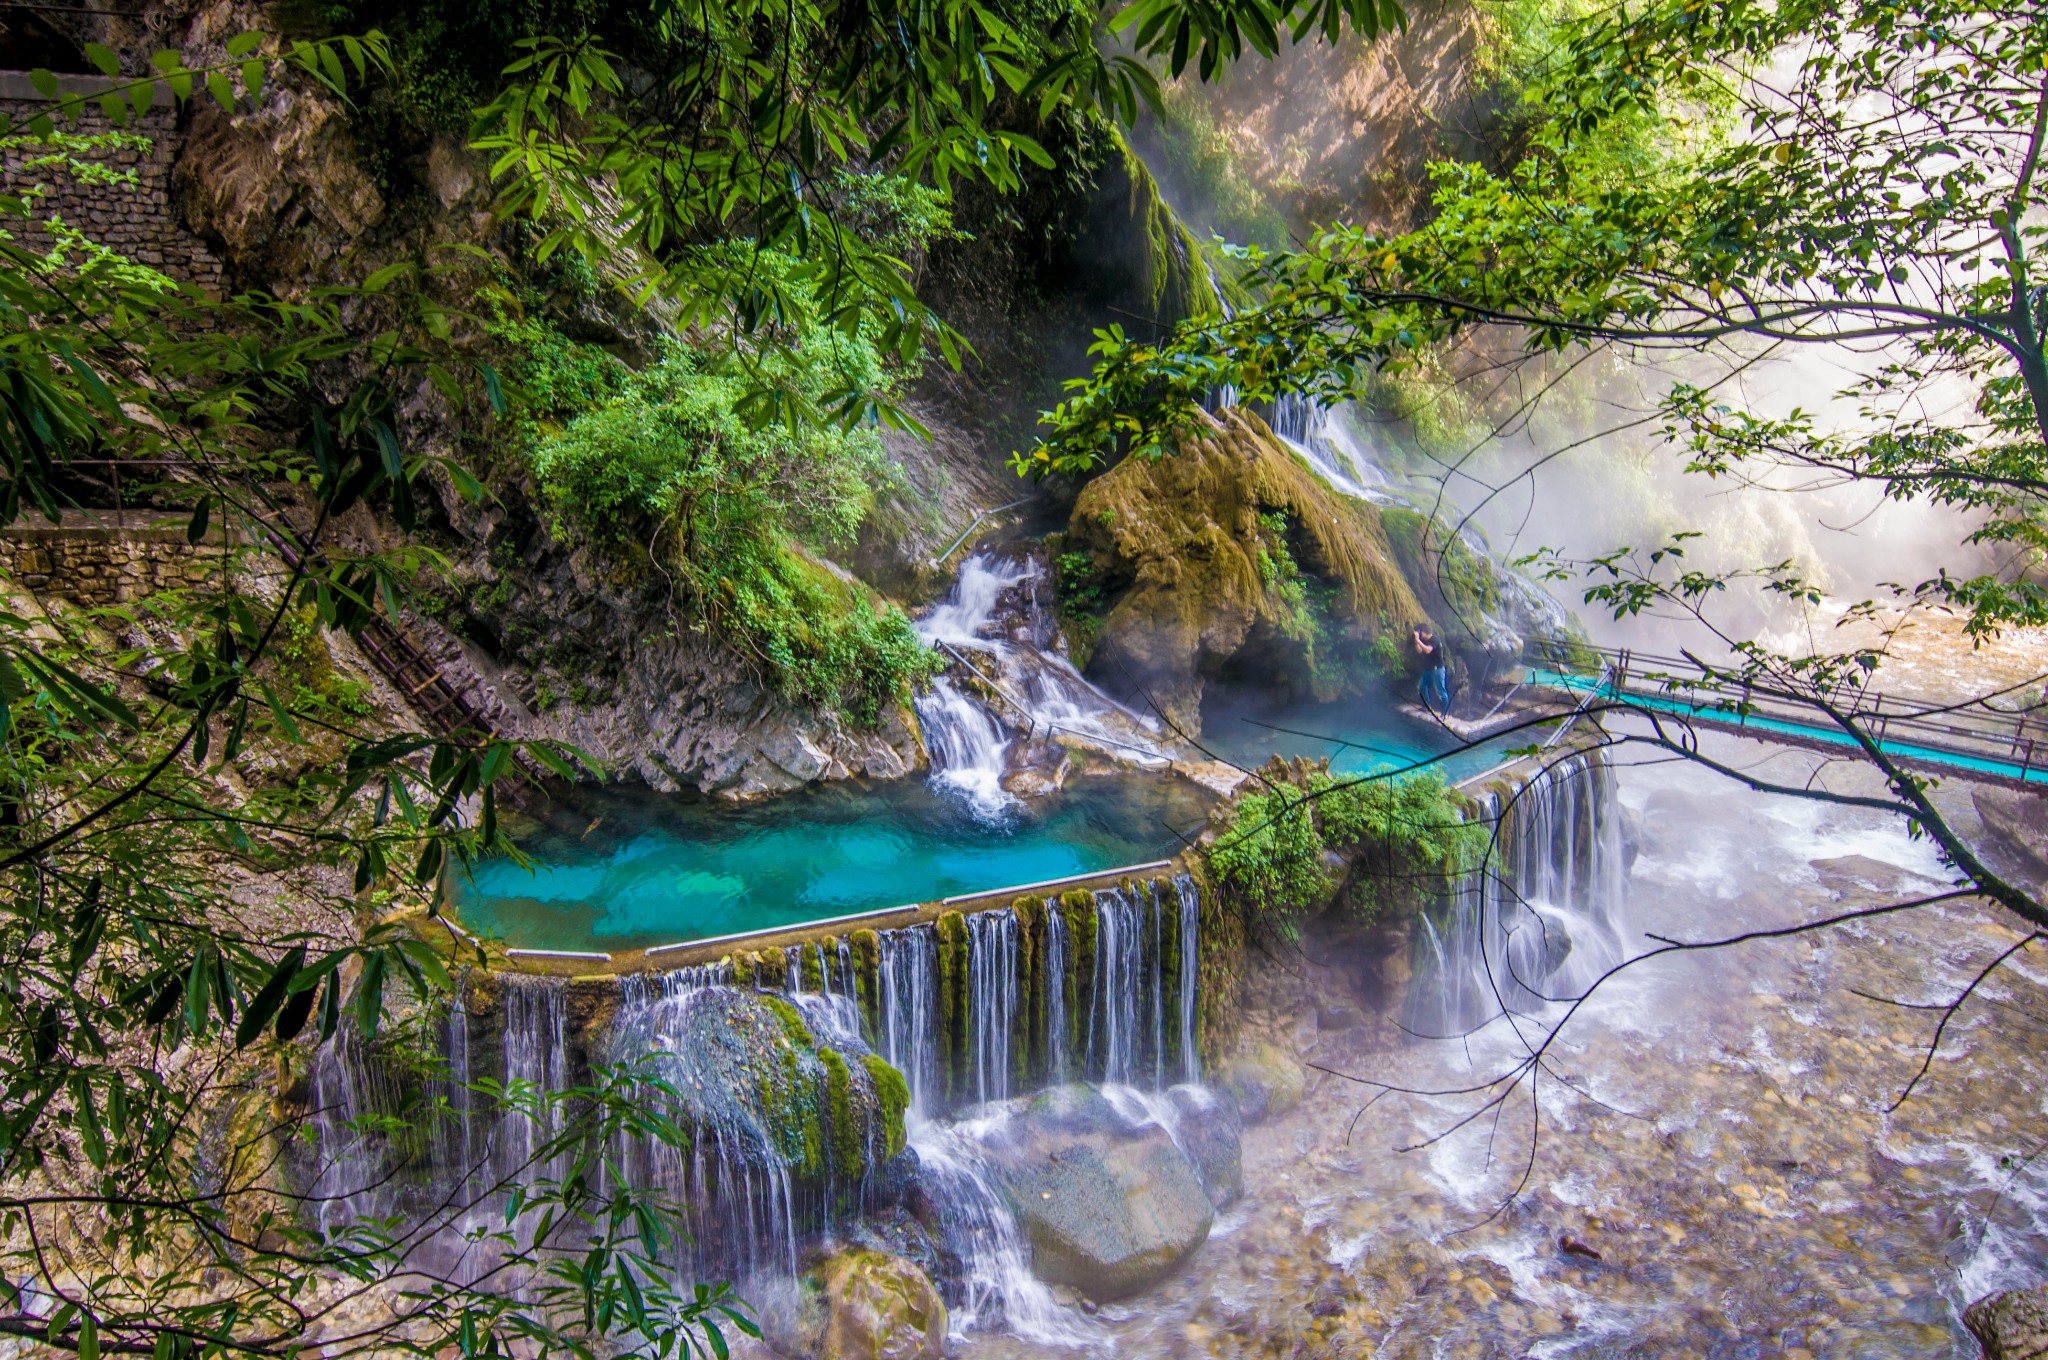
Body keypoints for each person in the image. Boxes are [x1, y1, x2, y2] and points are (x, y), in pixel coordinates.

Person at [1414, 625, 1450, 711]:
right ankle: (1427, 706)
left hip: (1438, 669)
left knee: (1440, 692)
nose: (1420, 634)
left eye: (1421, 632)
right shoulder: (1424, 640)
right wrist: (1416, 641)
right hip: (1429, 669)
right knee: (1421, 686)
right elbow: (1419, 650)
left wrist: (1418, 640)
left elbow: (1427, 650)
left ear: (1426, 632)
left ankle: (1445, 712)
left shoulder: (1435, 639)